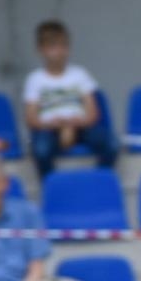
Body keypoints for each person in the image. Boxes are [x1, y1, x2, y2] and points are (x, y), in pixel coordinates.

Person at [23, 20, 116, 180]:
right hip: (49, 129)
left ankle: (98, 181)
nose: (58, 52)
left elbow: (93, 112)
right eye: (52, 46)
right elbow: (31, 118)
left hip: (81, 127)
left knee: (112, 144)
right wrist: (52, 124)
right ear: (41, 49)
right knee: (41, 149)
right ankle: (52, 187)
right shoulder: (35, 79)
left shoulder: (80, 74)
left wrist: (74, 124)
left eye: (62, 46)